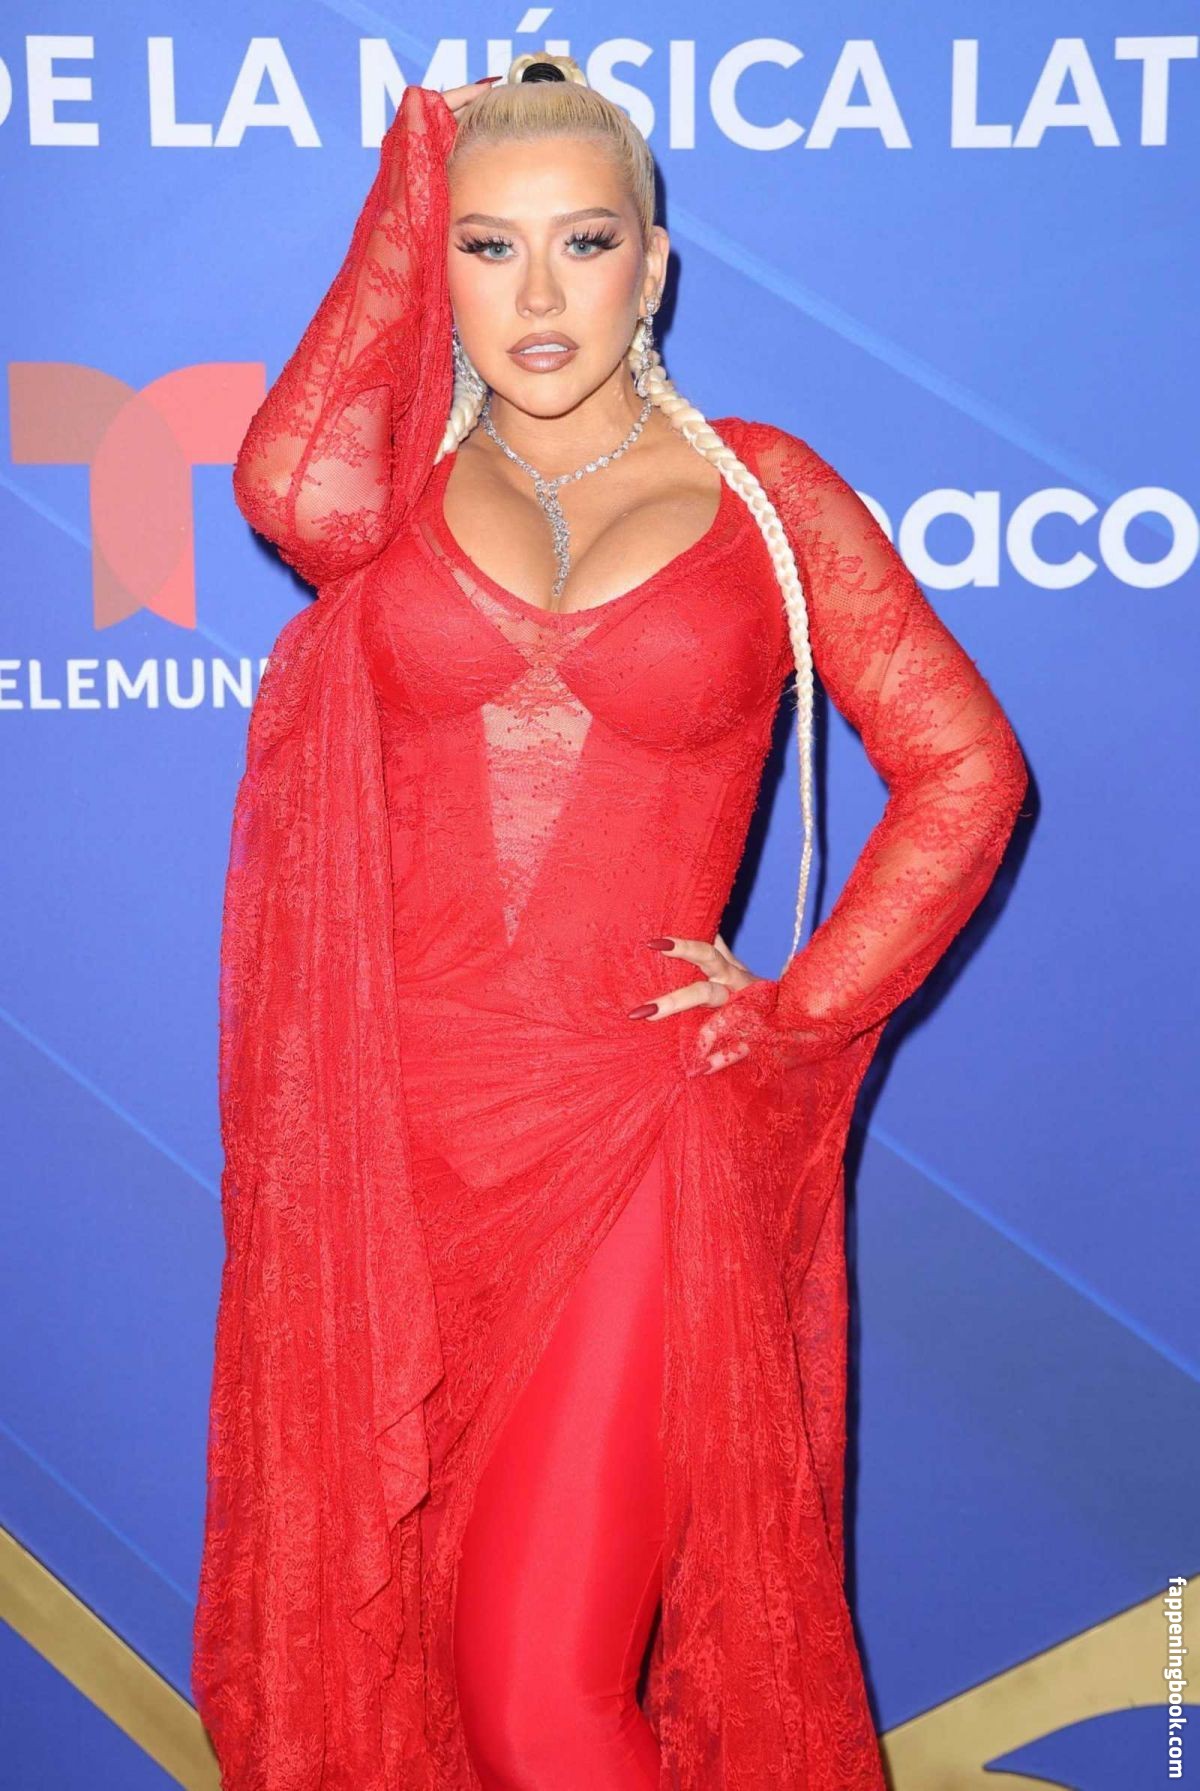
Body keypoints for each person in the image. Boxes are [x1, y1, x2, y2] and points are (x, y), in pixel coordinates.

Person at [191, 52, 1029, 1791]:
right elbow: (286, 485)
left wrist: (800, 1005)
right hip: (389, 1150)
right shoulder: (388, 503)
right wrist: (415, 187)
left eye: (584, 242)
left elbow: (966, 769)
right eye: (490, 249)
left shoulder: (768, 495)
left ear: (655, 265)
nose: (539, 296)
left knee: (537, 1694)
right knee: (408, 1664)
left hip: (636, 1135)